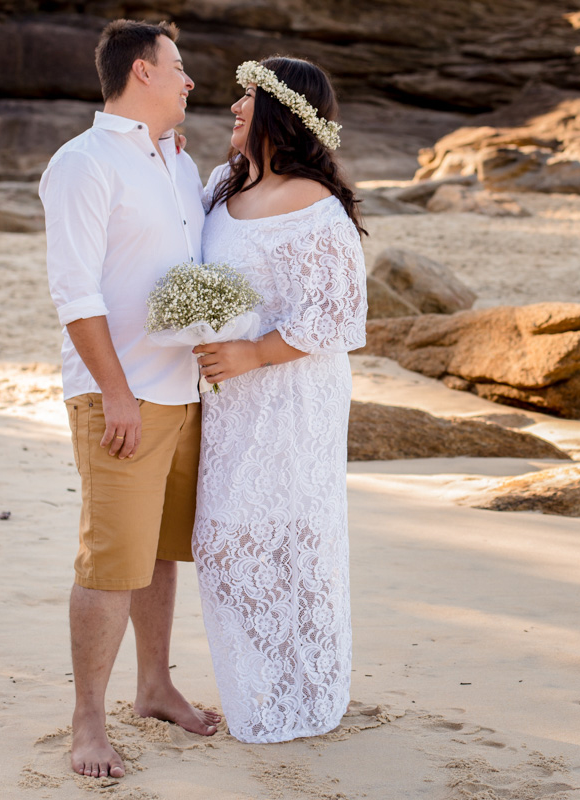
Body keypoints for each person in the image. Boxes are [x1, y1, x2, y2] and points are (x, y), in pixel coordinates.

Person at [38, 19, 220, 779]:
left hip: (183, 392)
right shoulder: (82, 164)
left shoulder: (180, 162)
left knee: (158, 554)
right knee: (111, 563)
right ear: (142, 71)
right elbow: (73, 292)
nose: (189, 81)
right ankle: (87, 723)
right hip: (122, 398)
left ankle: (154, 686)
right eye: (178, 67)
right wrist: (115, 393)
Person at [190, 56, 368, 743]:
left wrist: (250, 352)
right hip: (230, 400)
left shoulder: (315, 206)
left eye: (246, 100)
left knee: (290, 537)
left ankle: (304, 694)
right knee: (226, 541)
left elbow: (337, 318)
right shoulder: (218, 186)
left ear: (280, 113)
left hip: (292, 394)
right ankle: (259, 686)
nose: (233, 109)